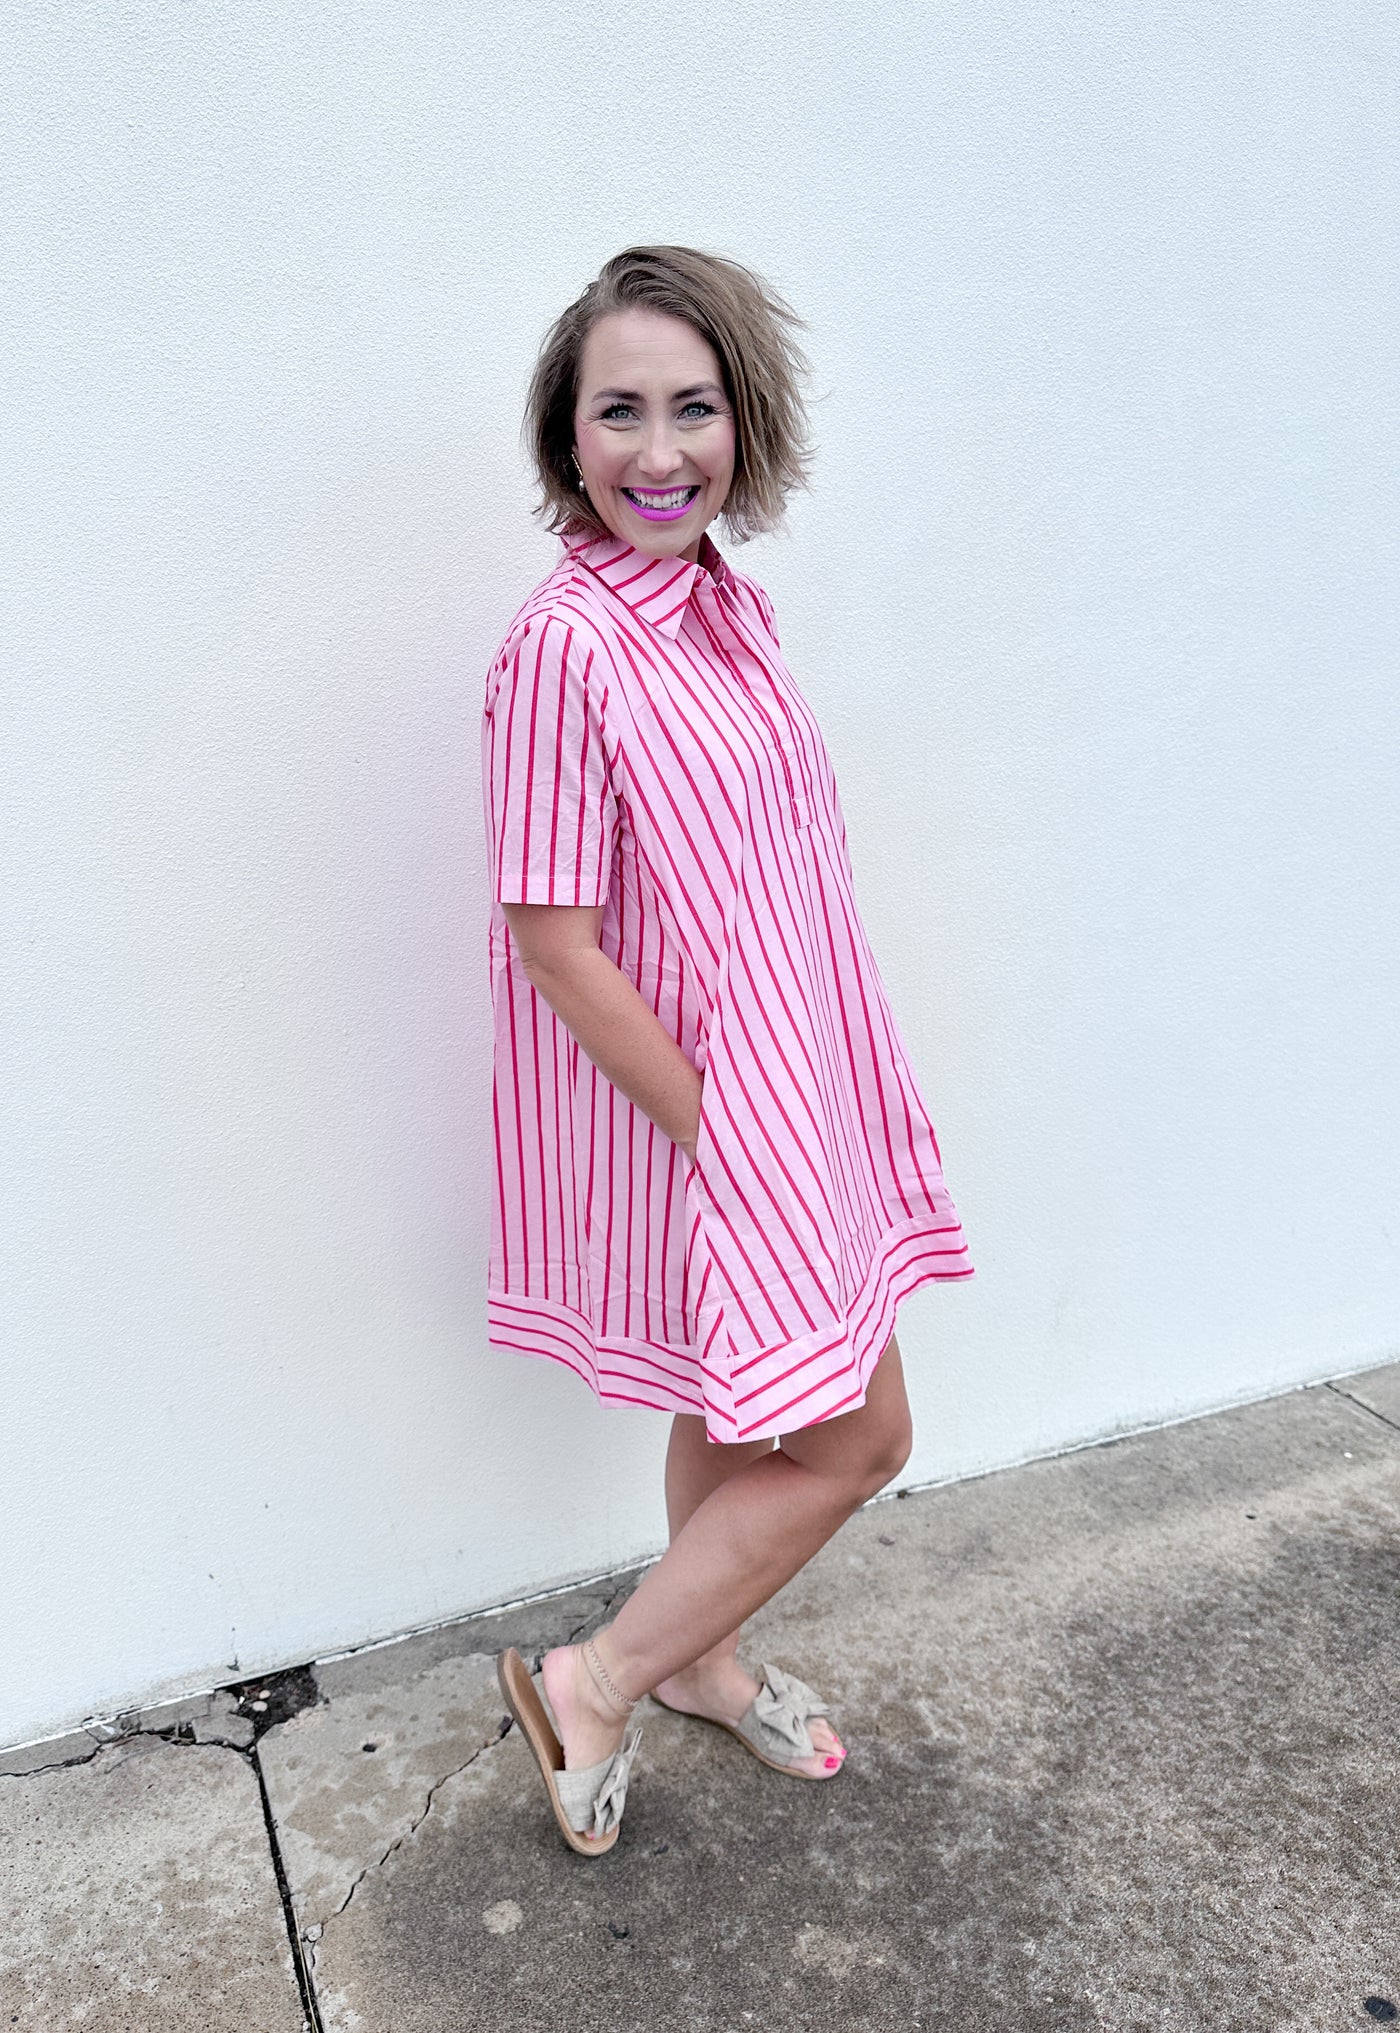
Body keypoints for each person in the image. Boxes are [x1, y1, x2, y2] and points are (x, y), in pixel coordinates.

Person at [482, 245, 974, 1856]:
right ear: (567, 441)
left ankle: (698, 1662)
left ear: (744, 428)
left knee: (747, 1403)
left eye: (693, 408)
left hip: (795, 1086)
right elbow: (554, 939)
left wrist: (812, 1092)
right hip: (704, 1111)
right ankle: (599, 1675)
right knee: (862, 1435)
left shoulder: (719, 614)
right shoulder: (567, 644)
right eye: (616, 411)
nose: (658, 448)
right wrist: (721, 1122)